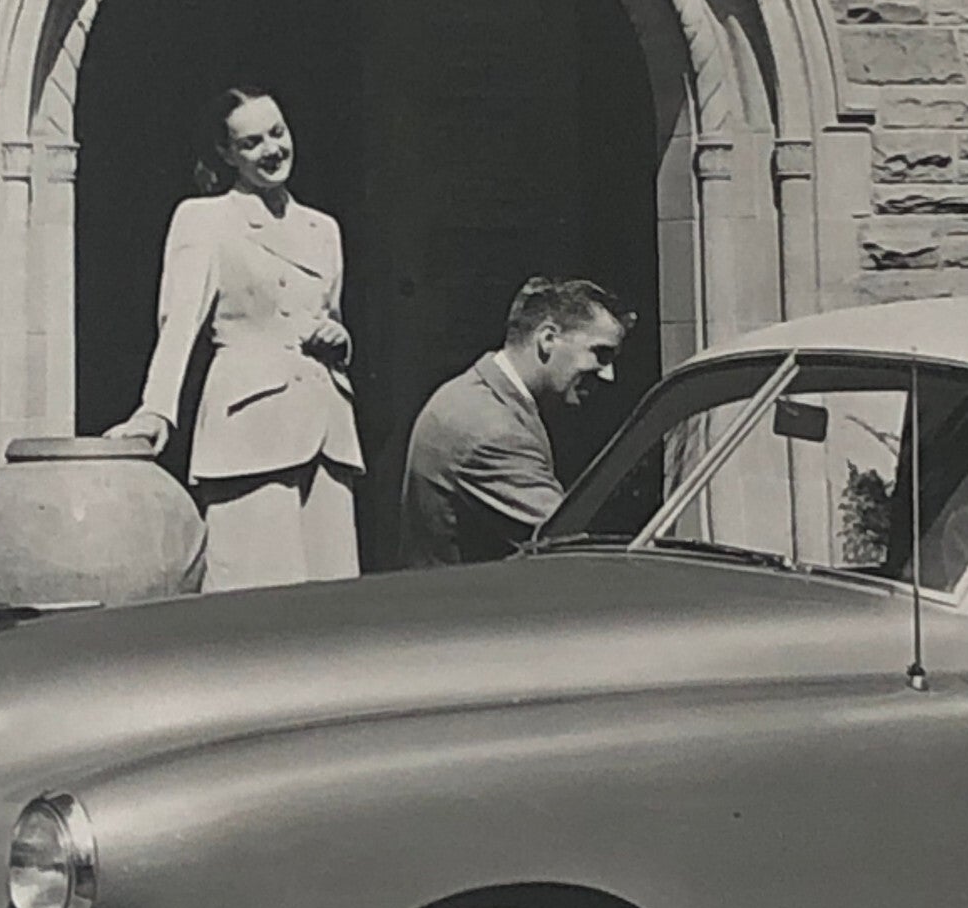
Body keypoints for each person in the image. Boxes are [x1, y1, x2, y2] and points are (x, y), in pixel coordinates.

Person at [104, 85, 363, 593]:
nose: (271, 150)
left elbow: (327, 315)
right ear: (226, 154)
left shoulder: (323, 228)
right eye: (251, 143)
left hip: (327, 432)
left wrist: (340, 339)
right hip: (251, 430)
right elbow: (179, 322)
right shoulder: (206, 219)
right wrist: (156, 409)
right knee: (258, 602)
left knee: (334, 609)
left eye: (277, 133)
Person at [399, 276, 633, 568]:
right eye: (600, 353)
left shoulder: (481, 396)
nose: (607, 374)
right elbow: (571, 549)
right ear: (548, 339)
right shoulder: (492, 430)